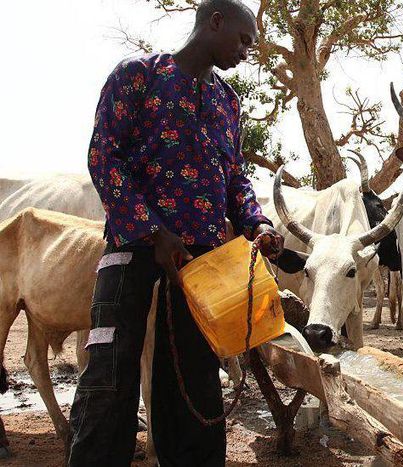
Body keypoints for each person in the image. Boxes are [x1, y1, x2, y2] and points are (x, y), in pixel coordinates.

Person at [67, 1, 284, 465]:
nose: (247, 51)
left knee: (196, 374)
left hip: (204, 263)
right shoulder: (136, 75)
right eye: (244, 40)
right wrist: (152, 231)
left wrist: (257, 222)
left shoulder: (227, 100)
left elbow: (234, 178)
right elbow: (104, 158)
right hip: (133, 248)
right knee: (111, 368)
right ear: (215, 21)